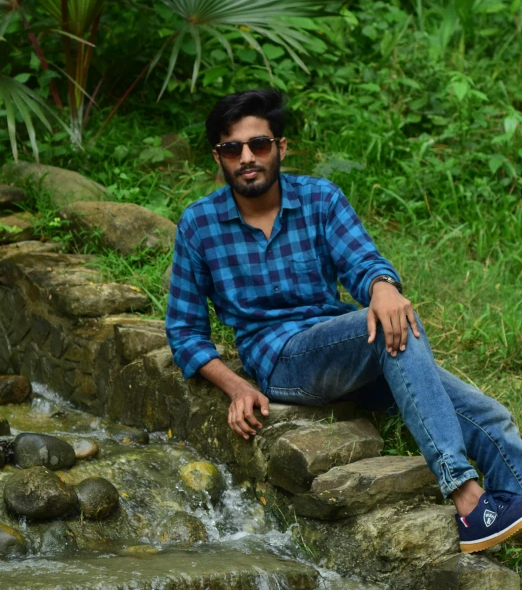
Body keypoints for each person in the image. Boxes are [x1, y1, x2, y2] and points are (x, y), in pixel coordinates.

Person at [166, 88, 522, 554]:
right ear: (219, 157)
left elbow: (363, 262)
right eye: (233, 149)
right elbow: (184, 331)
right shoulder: (199, 225)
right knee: (384, 327)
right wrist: (236, 386)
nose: (247, 157)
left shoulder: (320, 199)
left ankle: (508, 505)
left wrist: (382, 287)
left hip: (346, 351)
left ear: (281, 147)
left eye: (259, 144)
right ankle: (463, 492)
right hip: (281, 360)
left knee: (487, 413)